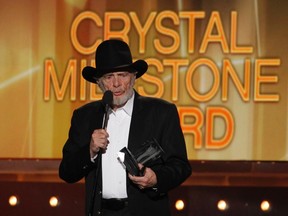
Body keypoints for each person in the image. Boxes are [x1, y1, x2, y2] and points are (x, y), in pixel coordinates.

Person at [59, 39, 192, 216]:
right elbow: (66, 172)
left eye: (122, 75)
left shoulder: (161, 112)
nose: (116, 83)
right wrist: (89, 151)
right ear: (99, 83)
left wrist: (156, 179)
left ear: (133, 77)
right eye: (109, 77)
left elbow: (180, 166)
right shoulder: (84, 116)